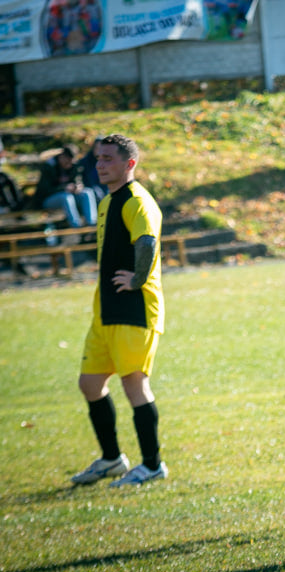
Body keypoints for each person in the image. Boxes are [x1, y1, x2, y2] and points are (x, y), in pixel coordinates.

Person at [70, 133, 168, 487]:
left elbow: (147, 241)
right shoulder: (106, 201)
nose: (100, 165)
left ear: (130, 164)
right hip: (106, 310)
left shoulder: (138, 200)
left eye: (108, 159)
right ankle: (112, 459)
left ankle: (152, 465)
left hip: (135, 308)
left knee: (134, 386)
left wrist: (138, 278)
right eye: (98, 158)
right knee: (90, 383)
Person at [30, 145, 98, 228]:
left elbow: (78, 180)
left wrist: (78, 187)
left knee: (87, 192)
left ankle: (92, 224)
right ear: (62, 157)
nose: (69, 164)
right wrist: (63, 188)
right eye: (67, 162)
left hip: (71, 197)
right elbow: (44, 190)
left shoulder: (74, 165)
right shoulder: (49, 167)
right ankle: (76, 227)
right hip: (48, 199)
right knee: (66, 197)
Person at [78, 136, 109, 202]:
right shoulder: (85, 162)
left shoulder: (107, 162)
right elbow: (83, 179)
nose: (99, 151)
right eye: (97, 148)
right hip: (90, 190)